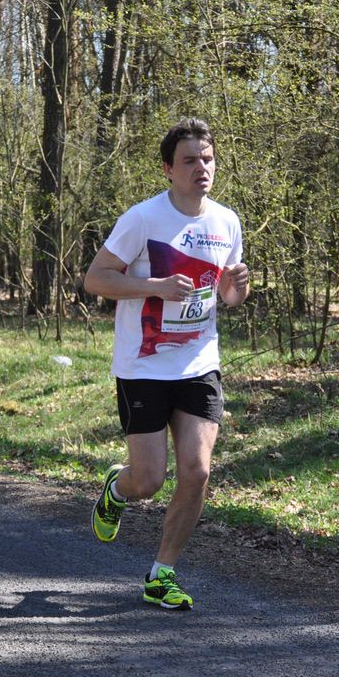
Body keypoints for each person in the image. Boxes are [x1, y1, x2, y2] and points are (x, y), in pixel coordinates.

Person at [83, 118, 249, 610]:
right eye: (190, 160)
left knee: (197, 472)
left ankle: (162, 574)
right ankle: (118, 488)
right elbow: (96, 278)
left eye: (208, 159)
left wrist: (236, 290)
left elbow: (226, 297)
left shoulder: (226, 222)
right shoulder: (143, 219)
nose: (202, 168)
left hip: (199, 362)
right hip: (143, 366)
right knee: (149, 480)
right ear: (168, 169)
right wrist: (154, 287)